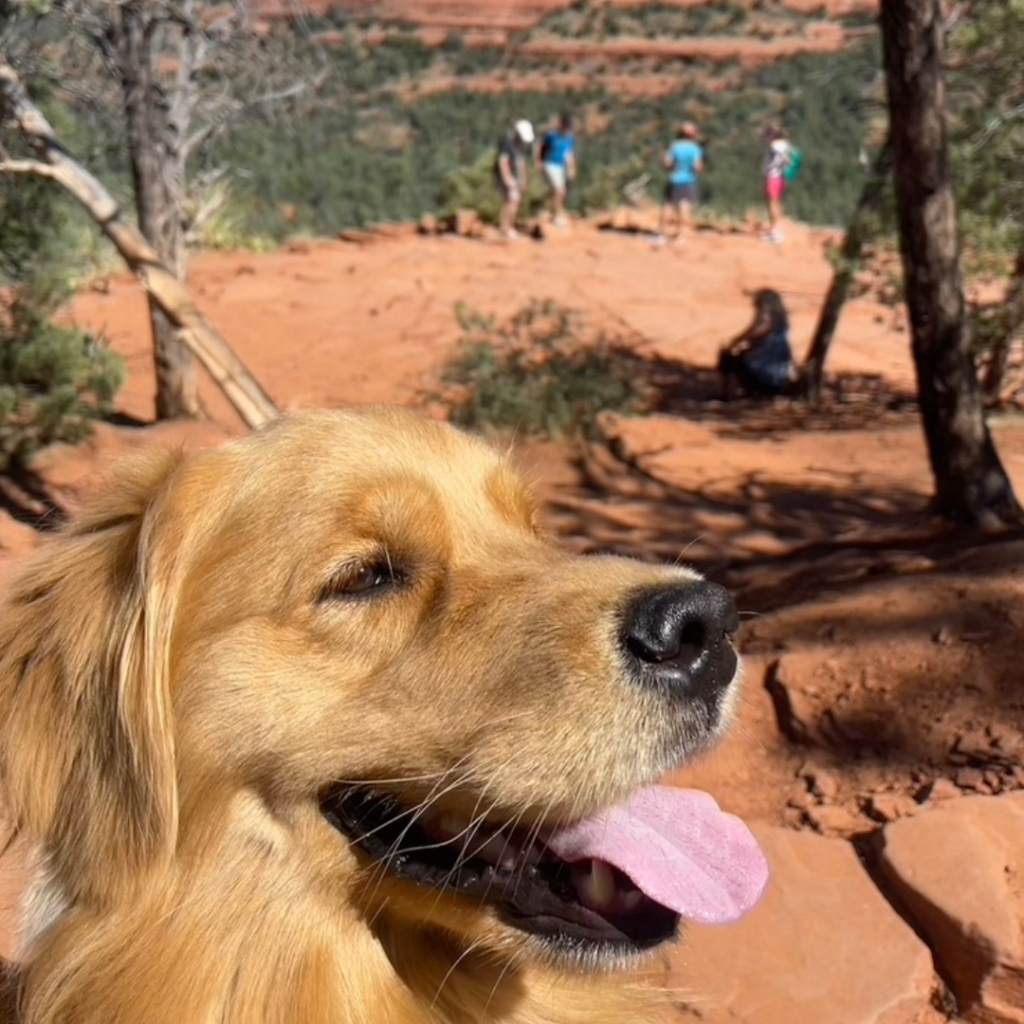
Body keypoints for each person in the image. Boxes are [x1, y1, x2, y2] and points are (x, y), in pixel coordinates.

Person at [718, 288, 794, 399]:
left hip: (766, 381)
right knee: (739, 356)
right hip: (778, 382)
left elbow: (755, 332)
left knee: (728, 357)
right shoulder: (782, 326)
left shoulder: (767, 324)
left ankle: (727, 394)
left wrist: (735, 342)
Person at [654, 122, 704, 245]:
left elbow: (667, 162)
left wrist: (672, 169)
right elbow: (697, 166)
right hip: (688, 180)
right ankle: (680, 236)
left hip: (674, 179)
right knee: (685, 207)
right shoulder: (695, 149)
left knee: (668, 206)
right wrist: (698, 171)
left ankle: (662, 235)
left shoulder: (674, 147)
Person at [494, 119, 535, 240]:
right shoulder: (508, 145)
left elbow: (521, 164)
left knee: (514, 202)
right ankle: (506, 228)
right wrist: (507, 179)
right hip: (507, 178)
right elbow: (503, 162)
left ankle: (508, 227)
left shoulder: (519, 147)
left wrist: (523, 179)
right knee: (512, 201)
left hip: (515, 177)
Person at [538, 114, 577, 227]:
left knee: (556, 191)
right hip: (550, 164)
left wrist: (572, 168)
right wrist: (540, 163)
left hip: (560, 167)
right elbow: (541, 148)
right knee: (559, 190)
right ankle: (556, 216)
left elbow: (569, 155)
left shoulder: (569, 139)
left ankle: (551, 210)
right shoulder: (552, 137)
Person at [762, 126, 793, 244]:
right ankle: (776, 229)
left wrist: (785, 162)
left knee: (773, 203)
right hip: (779, 177)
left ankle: (777, 232)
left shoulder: (775, 146)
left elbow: (786, 159)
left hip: (773, 177)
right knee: (776, 202)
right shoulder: (784, 145)